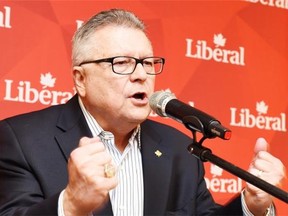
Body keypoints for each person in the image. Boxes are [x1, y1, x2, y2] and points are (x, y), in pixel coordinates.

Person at [0, 8, 285, 216]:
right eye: (121, 62)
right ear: (80, 79)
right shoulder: (20, 140)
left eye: (148, 63)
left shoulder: (177, 148)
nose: (141, 75)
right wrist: (71, 205)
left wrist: (252, 205)